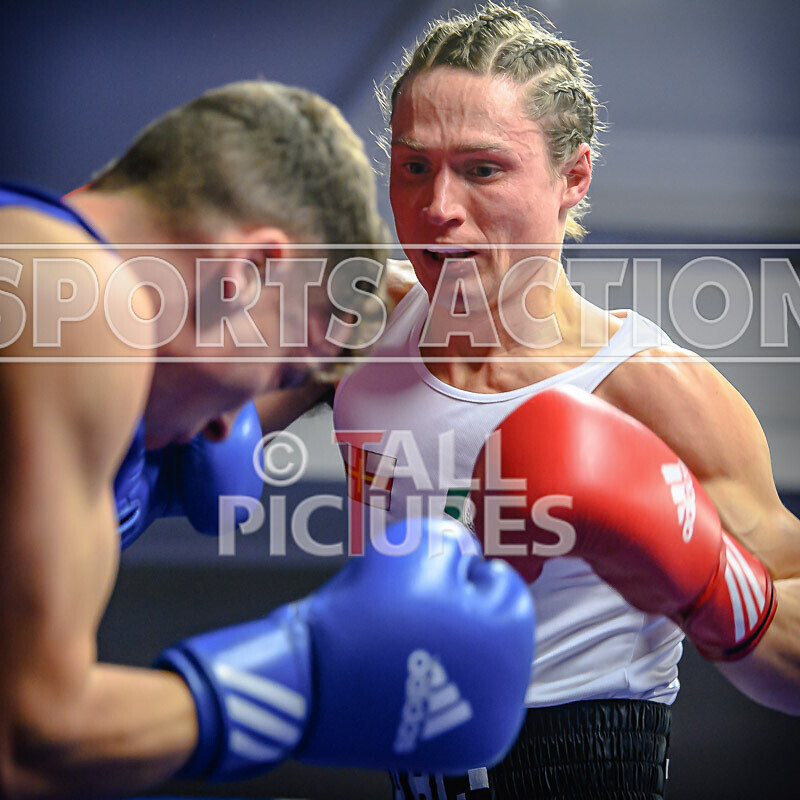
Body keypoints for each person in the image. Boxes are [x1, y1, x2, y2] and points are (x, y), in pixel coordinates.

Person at [0, 80, 538, 798]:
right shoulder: (87, 301)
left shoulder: (37, 264)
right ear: (248, 271)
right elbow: (26, 744)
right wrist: (301, 678)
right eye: (285, 368)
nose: (230, 425)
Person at [331, 4, 800, 798]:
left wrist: (705, 578)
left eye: (482, 169)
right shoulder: (361, 328)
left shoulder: (651, 389)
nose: (438, 207)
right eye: (414, 167)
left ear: (573, 176)